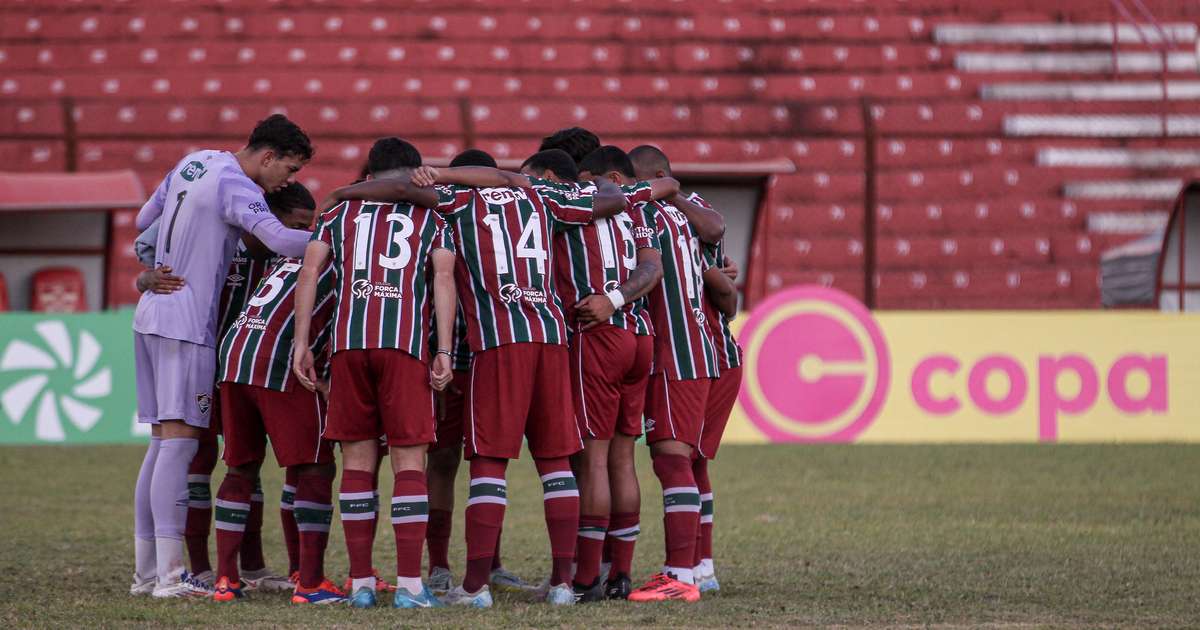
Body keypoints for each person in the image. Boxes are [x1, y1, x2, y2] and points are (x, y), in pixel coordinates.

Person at [332, 157, 675, 607]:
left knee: (489, 464)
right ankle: (561, 585)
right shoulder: (545, 195)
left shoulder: (460, 200)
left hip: (497, 341)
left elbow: (400, 191)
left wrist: (344, 193)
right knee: (555, 462)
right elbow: (617, 198)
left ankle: (475, 587)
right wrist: (664, 185)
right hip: (552, 337)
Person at [130, 114, 314, 598]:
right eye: (289, 171)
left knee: (159, 444)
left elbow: (142, 223)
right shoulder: (238, 184)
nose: (287, 182)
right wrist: (341, 240)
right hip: (188, 323)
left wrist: (150, 269)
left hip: (151, 312)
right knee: (180, 445)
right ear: (269, 156)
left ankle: (147, 574)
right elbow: (278, 240)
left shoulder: (194, 162)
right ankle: (170, 579)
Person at [292, 137, 456, 609]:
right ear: (412, 174)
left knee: (358, 463)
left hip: (348, 346)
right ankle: (408, 588)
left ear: (369, 174)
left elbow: (309, 272)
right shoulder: (432, 216)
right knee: (410, 462)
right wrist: (443, 347)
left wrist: (303, 342)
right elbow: (442, 278)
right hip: (403, 346)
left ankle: (361, 584)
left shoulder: (337, 212)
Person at [523, 147, 663, 602]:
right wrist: (620, 299)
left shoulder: (566, 201)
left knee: (594, 459)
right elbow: (651, 267)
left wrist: (604, 302)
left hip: (596, 335)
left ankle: (585, 579)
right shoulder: (633, 206)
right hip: (640, 333)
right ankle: (619, 573)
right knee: (623, 459)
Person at [209, 182, 345, 604]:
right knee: (315, 469)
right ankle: (310, 582)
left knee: (240, 469)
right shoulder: (344, 258)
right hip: (279, 361)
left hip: (233, 358)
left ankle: (226, 581)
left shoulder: (287, 258)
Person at [620, 145, 731, 603]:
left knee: (672, 459)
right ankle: (700, 568)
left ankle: (678, 575)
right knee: (691, 460)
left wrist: (668, 194)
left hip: (678, 353)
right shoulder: (663, 218)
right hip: (702, 350)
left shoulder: (651, 214)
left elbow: (716, 227)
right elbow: (725, 286)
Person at [423, 149, 529, 596]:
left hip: (491, 357)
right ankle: (441, 565)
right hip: (452, 361)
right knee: (445, 461)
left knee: (488, 462)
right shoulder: (443, 218)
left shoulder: (508, 219)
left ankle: (490, 562)